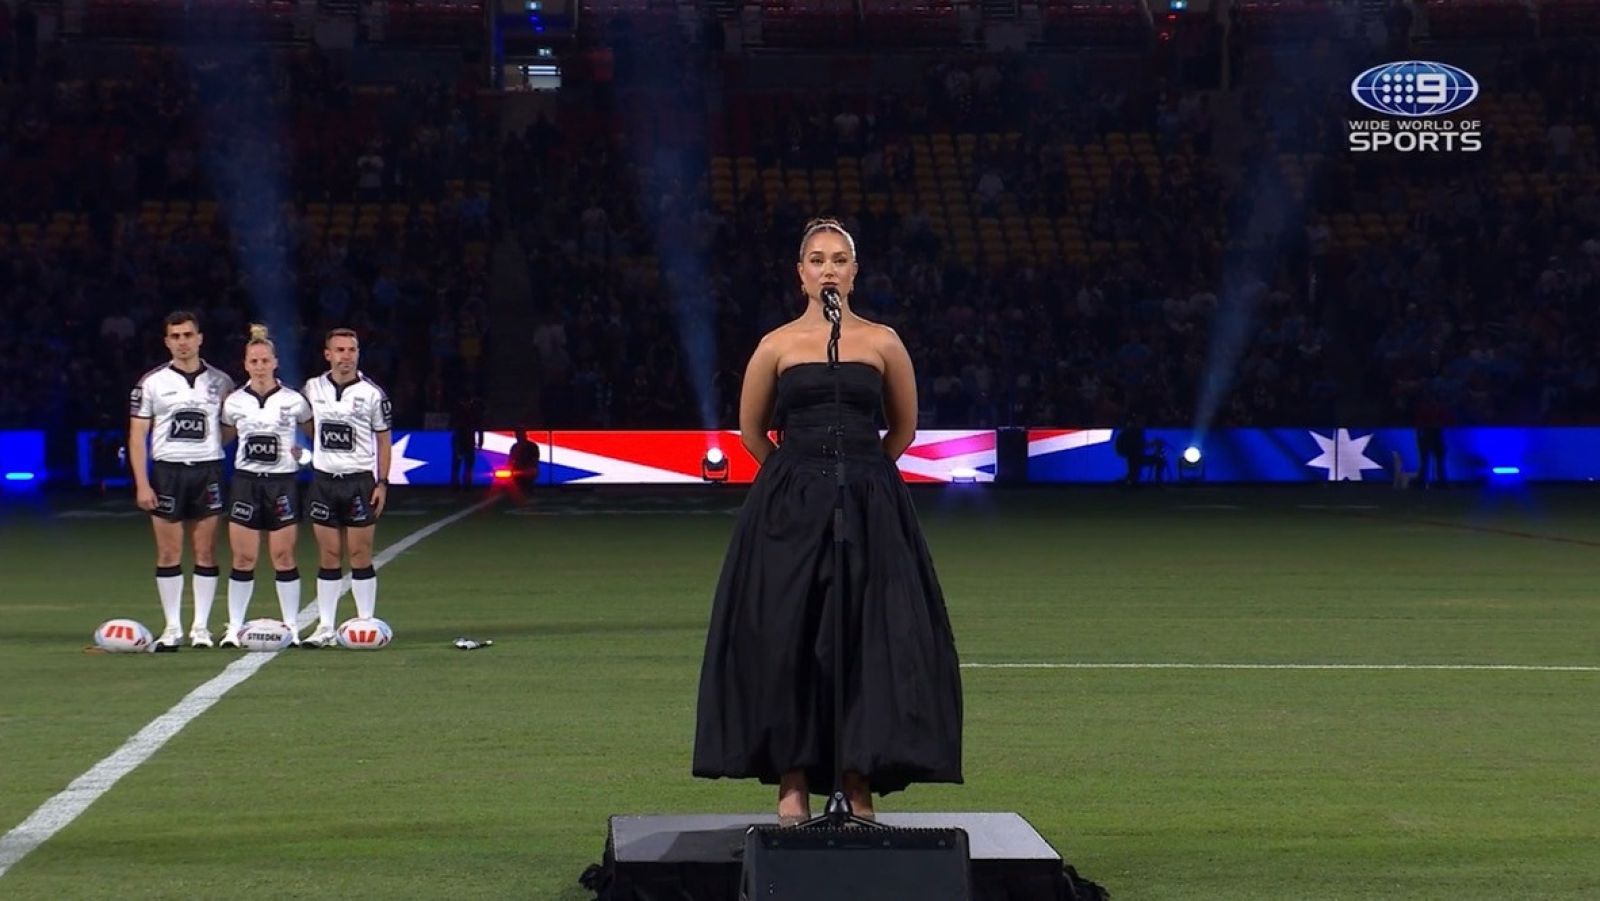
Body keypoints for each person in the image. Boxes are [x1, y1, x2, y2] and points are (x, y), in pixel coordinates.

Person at [692, 218, 963, 824]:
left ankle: (856, 778)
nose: (829, 269)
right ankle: (792, 781)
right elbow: (752, 432)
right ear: (801, 273)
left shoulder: (883, 342)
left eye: (840, 259)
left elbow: (904, 428)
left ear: (855, 271)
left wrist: (863, 475)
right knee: (789, 637)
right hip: (788, 510)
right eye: (817, 259)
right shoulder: (776, 345)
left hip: (869, 507)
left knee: (864, 639)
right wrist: (797, 476)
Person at [128, 311, 236, 648]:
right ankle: (172, 627)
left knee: (205, 551)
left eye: (188, 335)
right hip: (167, 472)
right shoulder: (152, 383)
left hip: (208, 471)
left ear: (200, 338)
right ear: (166, 342)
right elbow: (136, 436)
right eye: (175, 337)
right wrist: (143, 484)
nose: (182, 342)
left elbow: (233, 424)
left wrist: (214, 443)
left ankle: (200, 628)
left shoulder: (222, 382)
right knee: (168, 552)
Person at [218, 325, 313, 647]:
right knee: (243, 559)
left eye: (264, 360)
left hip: (282, 483)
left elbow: (315, 438)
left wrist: (305, 456)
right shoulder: (233, 402)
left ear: (275, 362)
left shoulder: (294, 401)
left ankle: (291, 627)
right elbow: (222, 438)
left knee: (283, 556)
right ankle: (233, 627)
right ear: (245, 364)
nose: (259, 366)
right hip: (245, 483)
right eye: (253, 361)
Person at [301, 328, 392, 647]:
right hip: (325, 481)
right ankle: (325, 627)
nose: (345, 355)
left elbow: (383, 438)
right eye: (339, 350)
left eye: (351, 349)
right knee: (328, 555)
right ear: (327, 354)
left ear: (358, 353)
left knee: (360, 554)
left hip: (359, 482)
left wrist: (382, 481)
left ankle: (365, 622)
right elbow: (305, 422)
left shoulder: (372, 393)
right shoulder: (312, 388)